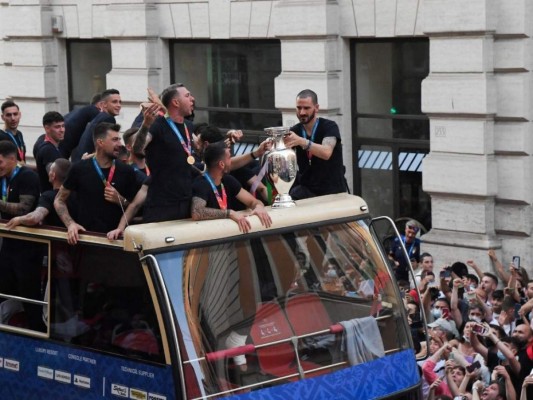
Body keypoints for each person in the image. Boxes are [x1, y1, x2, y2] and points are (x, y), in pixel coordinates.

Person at [54, 123, 141, 245]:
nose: (120, 144)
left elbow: (135, 207)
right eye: (115, 140)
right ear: (100, 143)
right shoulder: (79, 169)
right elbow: (59, 200)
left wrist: (120, 200)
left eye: (119, 139)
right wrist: (71, 224)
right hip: (86, 240)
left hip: (116, 242)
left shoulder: (126, 171)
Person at [132, 83, 197, 222]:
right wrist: (145, 125)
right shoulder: (157, 125)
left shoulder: (189, 126)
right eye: (187, 95)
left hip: (185, 201)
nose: (192, 98)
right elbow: (137, 148)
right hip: (162, 204)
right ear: (175, 102)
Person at [0, 141, 43, 331]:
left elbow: (24, 208)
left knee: (29, 292)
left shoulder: (27, 177)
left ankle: (36, 332)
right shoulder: (2, 177)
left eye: (0, 162)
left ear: (12, 159)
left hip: (28, 246)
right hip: (8, 244)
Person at [191, 142, 272, 233]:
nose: (232, 161)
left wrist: (259, 207)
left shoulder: (228, 180)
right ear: (221, 164)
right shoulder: (201, 184)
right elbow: (196, 212)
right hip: (209, 236)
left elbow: (253, 201)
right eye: (229, 158)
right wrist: (229, 213)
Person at [283, 89, 347, 199]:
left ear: (316, 108)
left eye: (306, 108)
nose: (302, 112)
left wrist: (301, 141)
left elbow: (326, 152)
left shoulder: (329, 126)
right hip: (306, 191)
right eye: (299, 108)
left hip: (332, 192)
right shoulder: (295, 130)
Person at [6, 158, 71, 229]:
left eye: (50, 170)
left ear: (53, 175)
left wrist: (18, 219)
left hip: (54, 238)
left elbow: (35, 218)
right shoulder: (77, 195)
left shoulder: (48, 196)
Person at [71, 89, 122, 161]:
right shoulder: (108, 119)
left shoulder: (100, 117)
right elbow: (106, 147)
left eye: (120, 102)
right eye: (114, 102)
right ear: (104, 104)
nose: (119, 105)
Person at [60, 93, 103, 159]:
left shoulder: (82, 110)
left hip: (63, 142)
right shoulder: (94, 110)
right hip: (67, 142)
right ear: (100, 104)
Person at [35, 112, 65, 192]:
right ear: (47, 128)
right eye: (57, 127)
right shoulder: (48, 150)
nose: (62, 130)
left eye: (63, 126)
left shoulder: (51, 147)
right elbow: (56, 180)